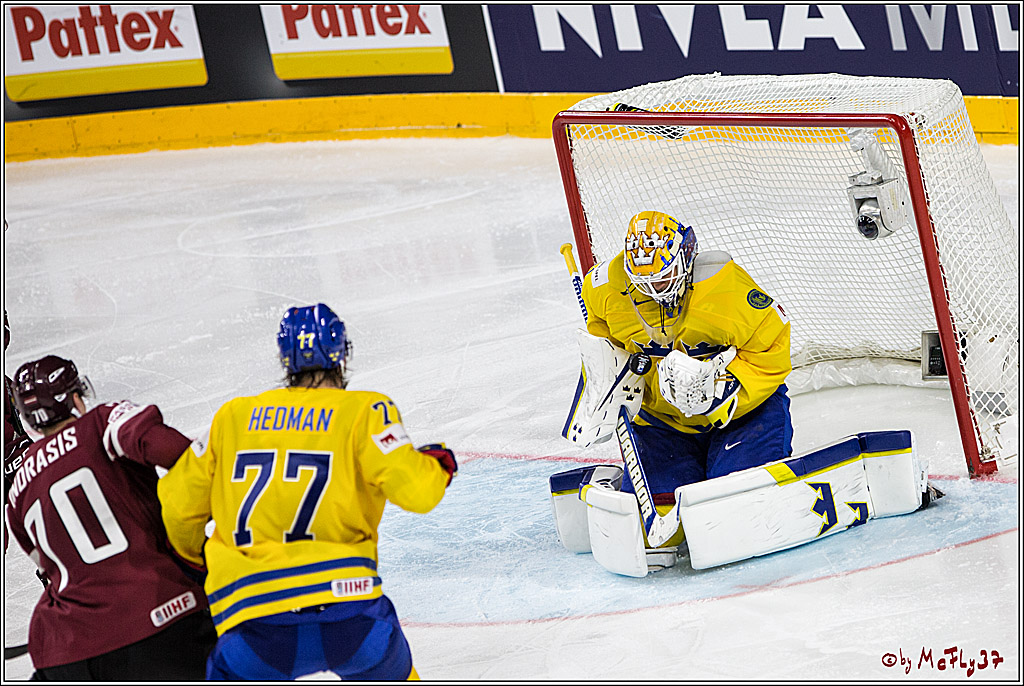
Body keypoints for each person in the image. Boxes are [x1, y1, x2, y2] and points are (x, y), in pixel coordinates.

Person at [158, 303, 457, 681]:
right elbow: (418, 493)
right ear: (341, 356)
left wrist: (193, 560)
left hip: (255, 622)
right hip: (351, 614)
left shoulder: (231, 416)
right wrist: (438, 465)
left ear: (285, 360)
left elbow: (177, 507)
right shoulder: (366, 410)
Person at [578, 210, 792, 544]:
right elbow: (602, 345)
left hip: (744, 418)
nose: (653, 291)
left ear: (685, 259)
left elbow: (772, 349)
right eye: (643, 284)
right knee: (660, 519)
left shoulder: (726, 288)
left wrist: (728, 390)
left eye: (661, 280)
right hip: (663, 423)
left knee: (735, 509)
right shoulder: (604, 290)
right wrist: (606, 384)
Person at [5, 354, 216, 680]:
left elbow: (43, 561)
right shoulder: (103, 423)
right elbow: (179, 453)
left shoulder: (18, 485)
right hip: (156, 623)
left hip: (64, 654)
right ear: (74, 398)